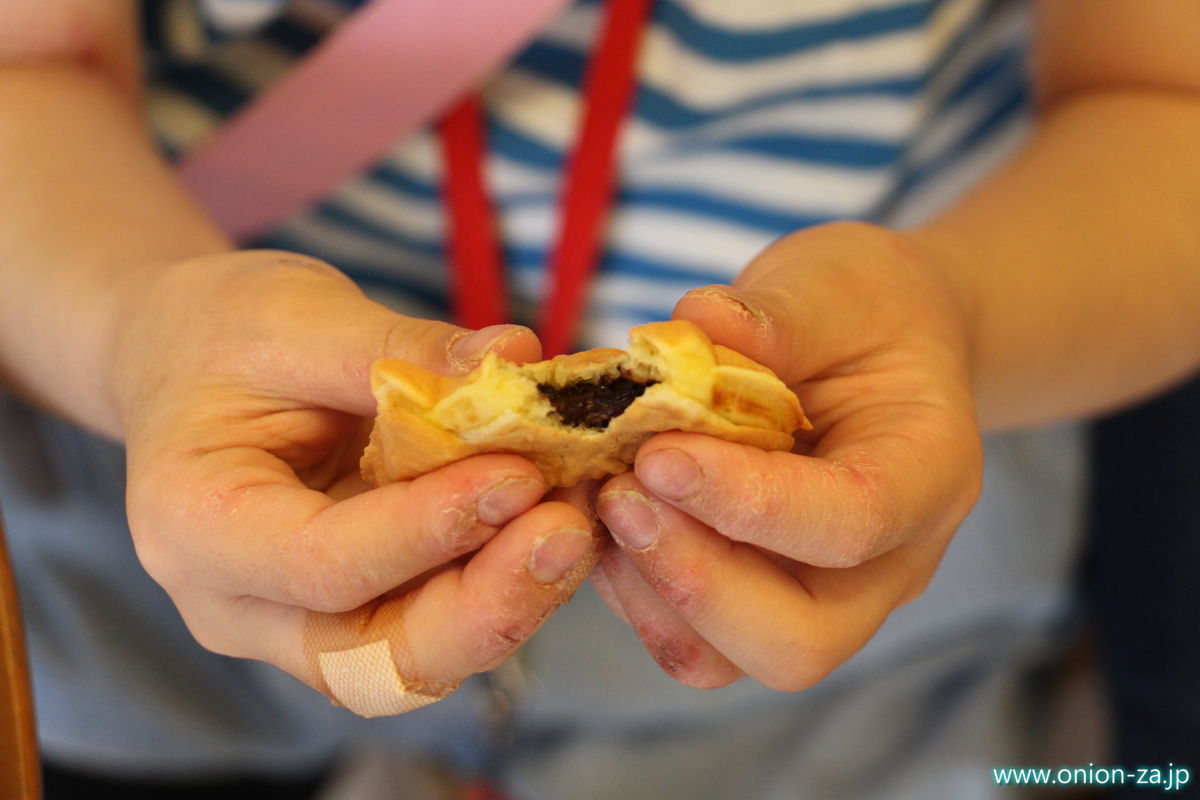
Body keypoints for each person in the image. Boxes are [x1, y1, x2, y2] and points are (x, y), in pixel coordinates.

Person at [1, 0, 1198, 797]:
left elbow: (1165, 103)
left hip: (869, 618)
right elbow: (28, 69)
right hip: (173, 606)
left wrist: (961, 314)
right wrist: (137, 333)